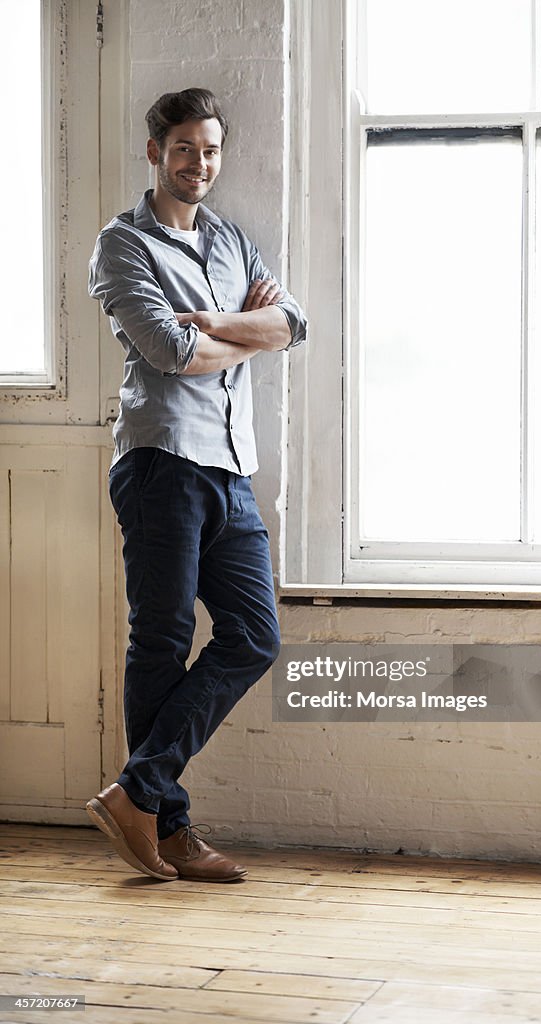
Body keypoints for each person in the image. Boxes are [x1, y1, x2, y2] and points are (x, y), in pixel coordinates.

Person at [86, 88, 306, 882]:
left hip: (230, 468)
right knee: (163, 640)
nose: (198, 163)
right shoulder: (122, 244)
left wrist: (211, 323)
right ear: (156, 152)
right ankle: (170, 829)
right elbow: (170, 354)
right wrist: (242, 331)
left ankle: (137, 792)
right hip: (160, 463)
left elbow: (293, 325)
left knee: (254, 636)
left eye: (209, 150)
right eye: (184, 148)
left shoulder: (230, 239)